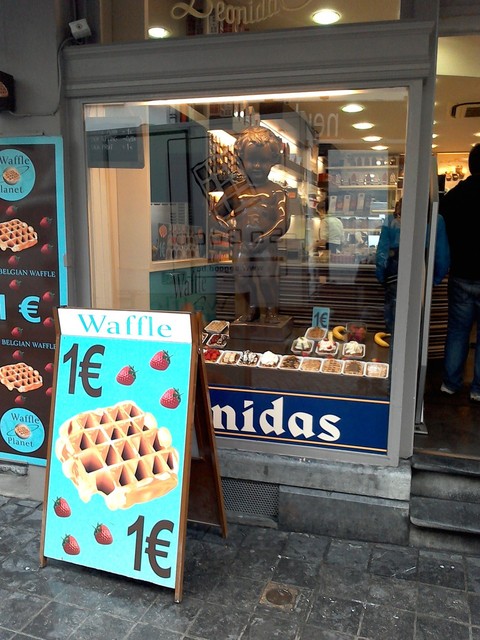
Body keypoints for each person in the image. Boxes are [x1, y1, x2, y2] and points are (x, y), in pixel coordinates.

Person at [211, 126, 290, 324]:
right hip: (242, 243)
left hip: (266, 244)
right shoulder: (235, 191)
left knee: (267, 279)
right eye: (252, 160)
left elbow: (283, 221)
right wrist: (229, 230)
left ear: (273, 161)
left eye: (263, 161)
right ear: (241, 159)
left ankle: (271, 311)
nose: (257, 166)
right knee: (242, 278)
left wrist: (267, 237)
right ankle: (251, 309)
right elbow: (215, 214)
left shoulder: (276, 191)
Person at [440, 143, 480, 401]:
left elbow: (441, 233)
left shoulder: (454, 196)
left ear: (470, 166)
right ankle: (478, 390)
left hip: (461, 272)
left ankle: (450, 384)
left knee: (457, 331)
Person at [375, 197, 449, 334]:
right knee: (417, 326)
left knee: (395, 326)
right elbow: (442, 256)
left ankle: (395, 346)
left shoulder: (391, 220)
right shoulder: (436, 220)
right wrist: (434, 281)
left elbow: (382, 254)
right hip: (421, 279)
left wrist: (381, 277)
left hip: (394, 279)